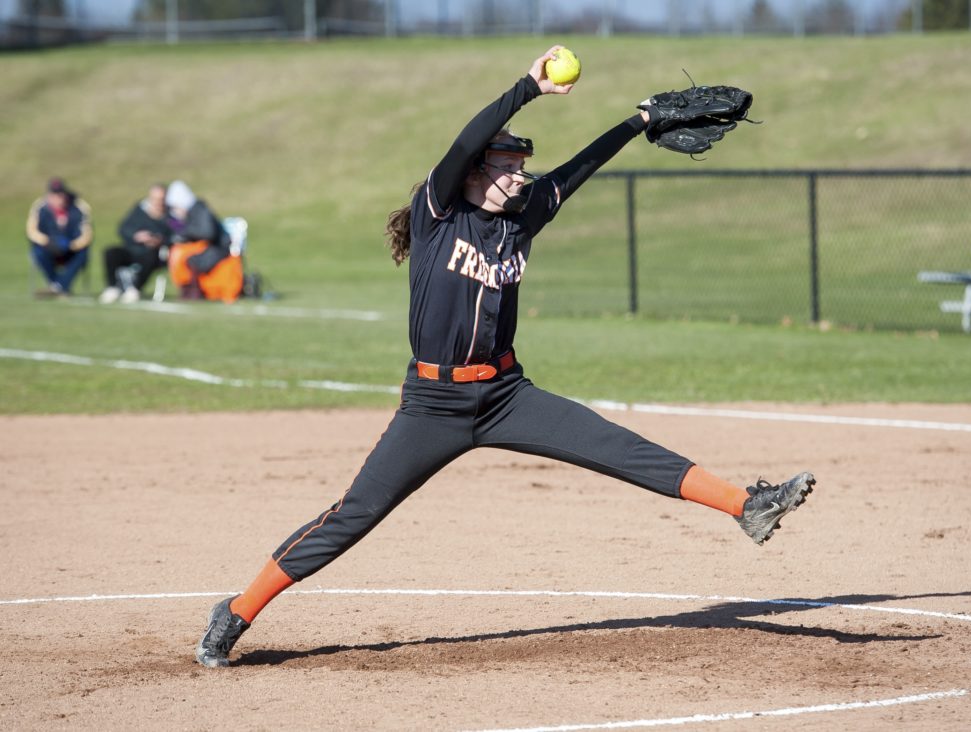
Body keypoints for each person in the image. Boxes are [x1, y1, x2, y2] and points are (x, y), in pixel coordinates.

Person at [195, 46, 816, 668]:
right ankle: (238, 611)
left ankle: (748, 506)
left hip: (505, 395)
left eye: (522, 166)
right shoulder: (439, 213)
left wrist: (640, 122)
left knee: (618, 446)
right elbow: (467, 139)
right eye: (507, 166)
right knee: (354, 515)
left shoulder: (522, 219)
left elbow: (580, 168)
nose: (520, 176)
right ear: (472, 173)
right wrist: (528, 87)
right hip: (433, 405)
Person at [164, 180, 241, 301]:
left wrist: (185, 233)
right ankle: (189, 288)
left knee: (191, 260)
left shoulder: (200, 210)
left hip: (219, 248)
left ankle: (194, 289)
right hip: (210, 247)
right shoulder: (192, 212)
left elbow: (208, 233)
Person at [99, 183, 174, 304]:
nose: (158, 202)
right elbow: (123, 229)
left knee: (151, 256)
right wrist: (136, 236)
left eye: (161, 199)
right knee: (111, 252)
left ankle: (134, 289)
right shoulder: (139, 210)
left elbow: (177, 235)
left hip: (153, 253)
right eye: (155, 199)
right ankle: (112, 288)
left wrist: (159, 240)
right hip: (132, 249)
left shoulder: (170, 216)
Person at [26, 177, 93, 297]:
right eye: (54, 194)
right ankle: (60, 287)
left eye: (60, 194)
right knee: (38, 252)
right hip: (48, 247)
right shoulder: (40, 207)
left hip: (71, 249)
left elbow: (87, 234)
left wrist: (72, 245)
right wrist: (48, 242)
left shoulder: (79, 207)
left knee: (83, 254)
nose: (57, 198)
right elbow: (31, 231)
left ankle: (57, 287)